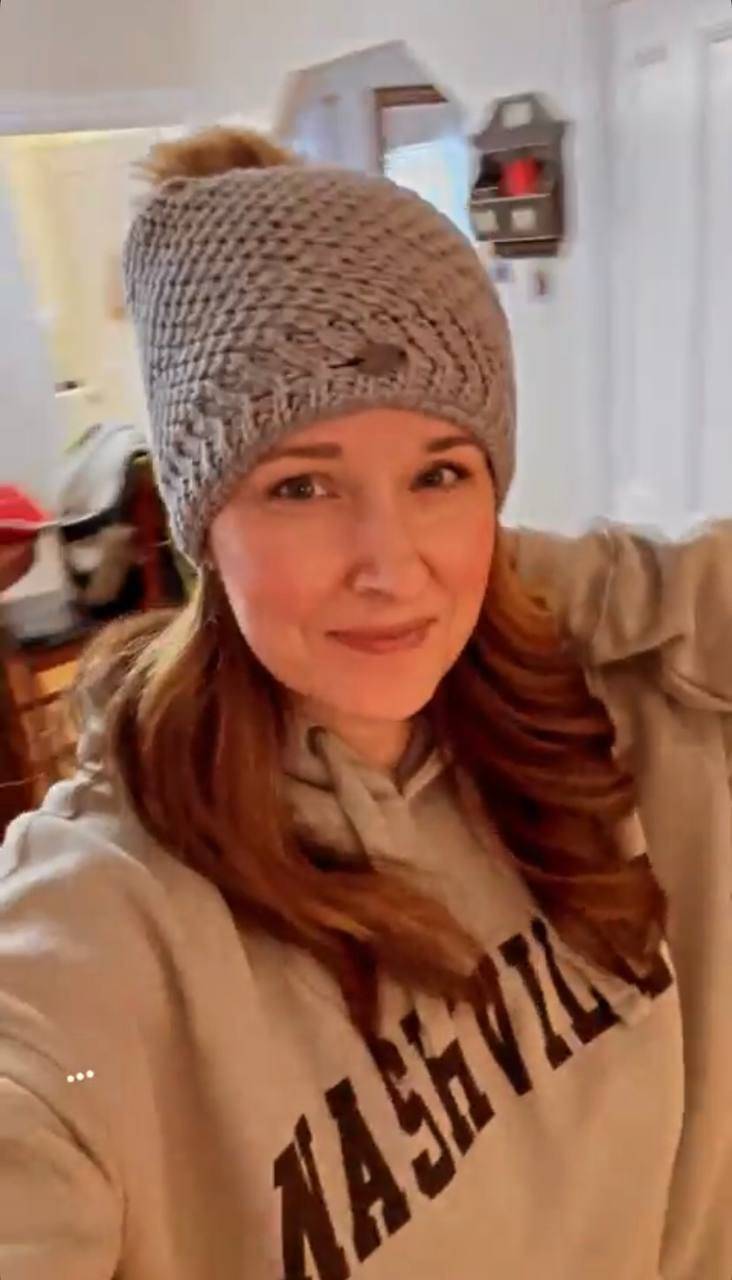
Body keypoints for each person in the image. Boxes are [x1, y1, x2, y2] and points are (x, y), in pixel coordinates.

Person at [0, 128, 729, 1280]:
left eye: (441, 473)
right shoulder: (105, 920)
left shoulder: (614, 710)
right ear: (203, 524)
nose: (390, 566)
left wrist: (507, 582)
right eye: (301, 484)